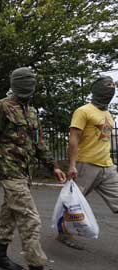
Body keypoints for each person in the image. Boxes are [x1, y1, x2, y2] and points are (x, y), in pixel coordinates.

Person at [0, 67, 66, 270]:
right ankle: (36, 265)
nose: (30, 85)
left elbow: (39, 143)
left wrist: (53, 166)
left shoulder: (32, 111)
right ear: (16, 83)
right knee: (30, 218)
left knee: (9, 214)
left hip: (25, 172)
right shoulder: (2, 107)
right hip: (9, 171)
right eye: (26, 81)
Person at [58, 76, 118, 249]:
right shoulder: (83, 111)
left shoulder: (107, 114)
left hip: (107, 167)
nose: (112, 89)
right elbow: (74, 139)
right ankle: (63, 233)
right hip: (86, 165)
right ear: (97, 89)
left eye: (113, 86)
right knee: (72, 202)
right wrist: (72, 165)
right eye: (108, 86)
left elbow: (103, 140)